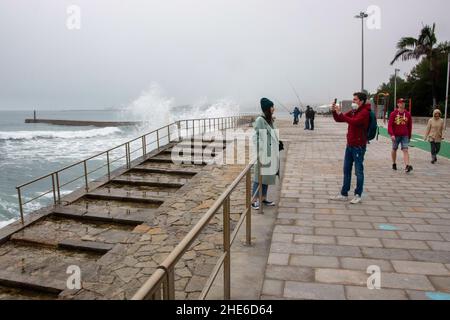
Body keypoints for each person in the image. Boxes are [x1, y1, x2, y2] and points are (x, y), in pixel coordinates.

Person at [331, 92, 371, 204]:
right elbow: (339, 119)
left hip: (358, 146)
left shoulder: (364, 112)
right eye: (353, 99)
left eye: (355, 100)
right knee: (346, 170)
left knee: (358, 171)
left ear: (361, 101)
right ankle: (344, 193)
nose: (353, 101)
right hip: (350, 145)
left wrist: (341, 114)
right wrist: (335, 111)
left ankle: (358, 194)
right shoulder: (354, 111)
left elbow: (355, 122)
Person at [251, 98, 280, 210]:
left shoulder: (269, 120)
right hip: (263, 154)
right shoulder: (260, 120)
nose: (274, 108)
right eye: (272, 106)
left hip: (271, 153)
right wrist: (262, 150)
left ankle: (263, 198)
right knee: (258, 178)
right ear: (267, 108)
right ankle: (254, 200)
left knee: (266, 177)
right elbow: (256, 137)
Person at [388, 98, 413, 173]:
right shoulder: (393, 114)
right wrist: (392, 134)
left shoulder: (408, 114)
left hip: (405, 135)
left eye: (403, 103)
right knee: (394, 149)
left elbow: (410, 126)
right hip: (396, 135)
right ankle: (394, 163)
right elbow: (390, 125)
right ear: (398, 104)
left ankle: (407, 166)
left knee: (405, 149)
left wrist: (409, 136)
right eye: (401, 103)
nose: (402, 104)